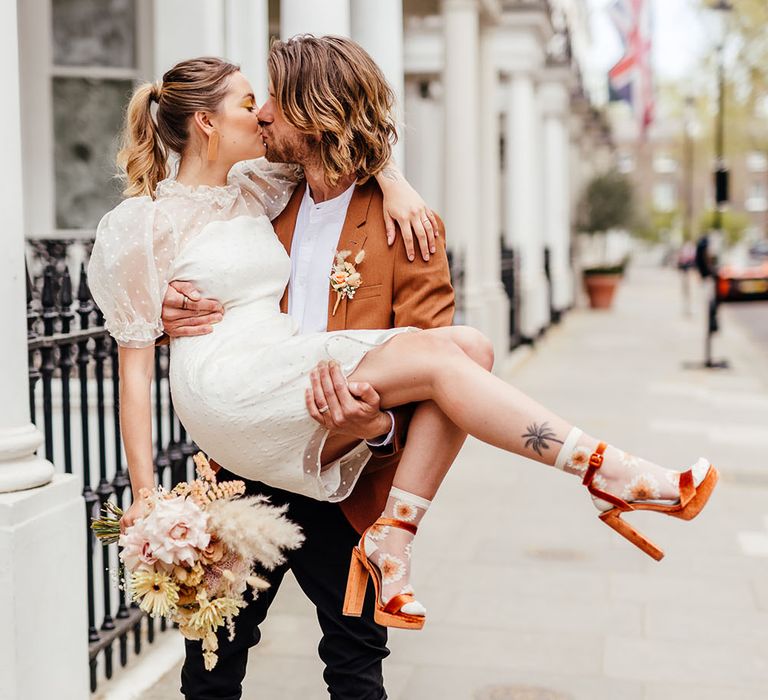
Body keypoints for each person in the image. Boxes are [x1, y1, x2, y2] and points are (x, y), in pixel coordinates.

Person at [88, 36, 719, 700]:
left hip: (343, 456)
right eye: (254, 102)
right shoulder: (268, 192)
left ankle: (405, 527)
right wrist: (164, 315)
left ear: (313, 110)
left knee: (357, 656)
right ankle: (606, 472)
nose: (266, 113)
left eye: (274, 100)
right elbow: (182, 287)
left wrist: (377, 425)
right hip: (241, 453)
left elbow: (435, 382)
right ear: (211, 122)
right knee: (213, 656)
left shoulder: (403, 225)